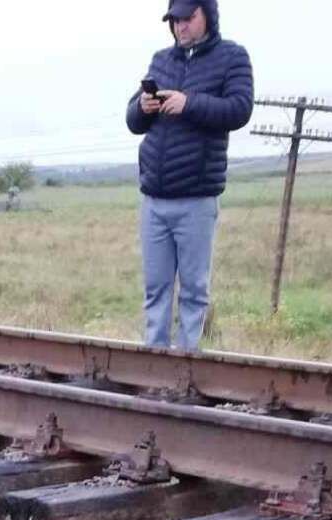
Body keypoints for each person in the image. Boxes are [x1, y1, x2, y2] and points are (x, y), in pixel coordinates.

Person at [127, 0, 253, 351]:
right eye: (175, 20)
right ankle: (154, 361)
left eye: (188, 18)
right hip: (154, 197)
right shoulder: (161, 60)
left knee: (194, 290)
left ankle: (187, 367)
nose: (180, 26)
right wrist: (143, 107)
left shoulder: (232, 57)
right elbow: (133, 121)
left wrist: (189, 102)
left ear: (207, 15)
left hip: (197, 198)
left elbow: (240, 108)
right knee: (156, 288)